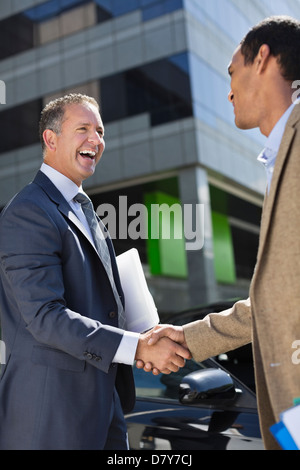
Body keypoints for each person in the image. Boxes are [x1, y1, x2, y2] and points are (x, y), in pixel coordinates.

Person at [139, 16, 300, 450]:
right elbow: (273, 300)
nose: (228, 91)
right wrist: (188, 338)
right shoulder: (278, 156)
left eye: (232, 73)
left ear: (262, 59)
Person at [0, 93, 190, 450]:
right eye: (83, 129)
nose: (96, 140)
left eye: (100, 131)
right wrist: (137, 348)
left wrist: (147, 335)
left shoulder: (86, 212)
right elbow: (46, 318)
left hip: (105, 407)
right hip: (52, 418)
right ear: (50, 139)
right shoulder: (28, 212)